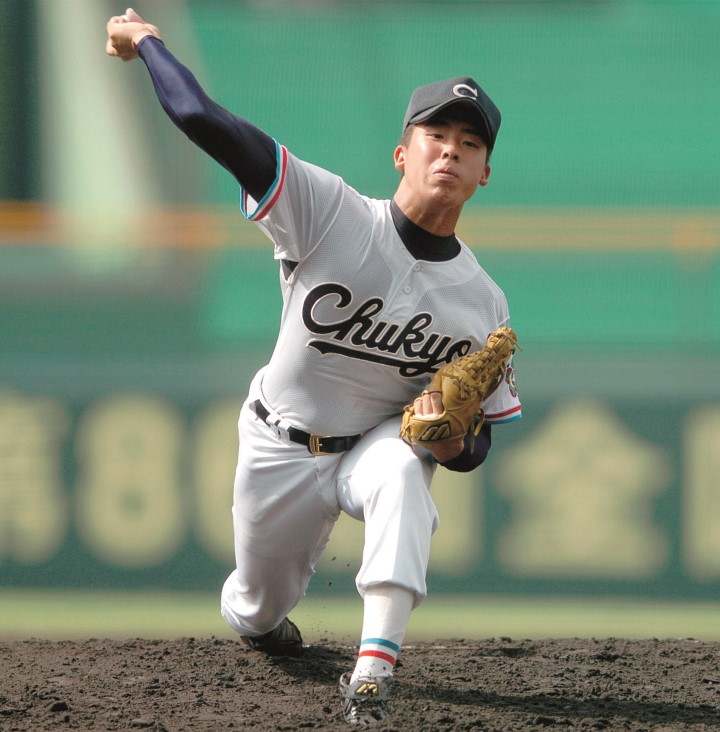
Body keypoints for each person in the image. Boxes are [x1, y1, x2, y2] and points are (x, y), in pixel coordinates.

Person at [106, 8, 522, 726]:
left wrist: (452, 442)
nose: (450, 152)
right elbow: (202, 118)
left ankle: (374, 667)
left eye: (469, 143)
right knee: (257, 604)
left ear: (485, 173)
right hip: (279, 442)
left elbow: (475, 448)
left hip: (370, 445)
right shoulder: (328, 211)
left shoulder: (482, 303)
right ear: (402, 153)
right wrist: (146, 41)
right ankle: (262, 619)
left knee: (401, 471)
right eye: (435, 135)